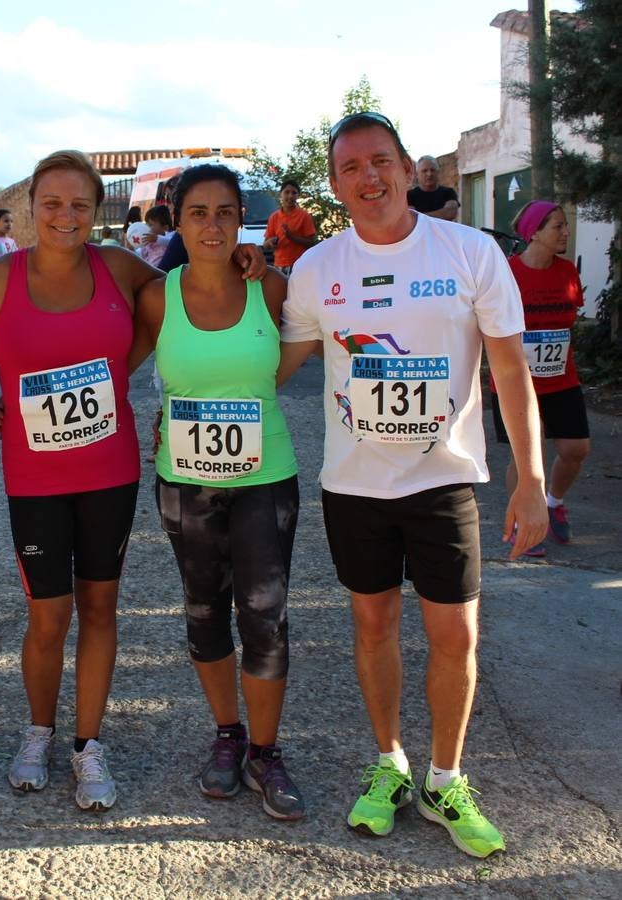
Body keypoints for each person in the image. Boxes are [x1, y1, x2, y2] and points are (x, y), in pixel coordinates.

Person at [278, 112, 545, 858]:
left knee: (453, 633)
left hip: (443, 481)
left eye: (381, 161)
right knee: (372, 626)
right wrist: (196, 407)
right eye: (351, 168)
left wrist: (531, 480)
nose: (369, 178)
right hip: (355, 485)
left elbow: (508, 370)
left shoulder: (466, 252)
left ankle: (445, 777)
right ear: (335, 185)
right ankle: (389, 762)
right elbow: (280, 362)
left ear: (405, 167)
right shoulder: (316, 269)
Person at [0, 150, 158, 812]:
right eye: (51, 202)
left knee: (100, 607)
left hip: (109, 470)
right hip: (34, 479)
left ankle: (87, 744)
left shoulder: (121, 268)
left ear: (95, 209)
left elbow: (183, 300)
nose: (65, 215)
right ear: (30, 207)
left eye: (79, 204)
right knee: (48, 615)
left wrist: (120, 370)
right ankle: (38, 732)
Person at [130, 164, 304, 820]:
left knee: (263, 612)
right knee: (204, 610)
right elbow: (110, 361)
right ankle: (227, 735)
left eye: (224, 211)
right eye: (197, 212)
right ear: (175, 221)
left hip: (265, 480)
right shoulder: (156, 296)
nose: (211, 224)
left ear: (240, 219)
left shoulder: (271, 289)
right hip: (186, 482)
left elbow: (323, 332)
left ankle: (265, 749)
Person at [490, 200, 590, 557]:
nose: (565, 232)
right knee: (524, 457)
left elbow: (568, 323)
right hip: (517, 381)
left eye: (565, 225)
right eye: (557, 227)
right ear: (534, 232)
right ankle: (520, 520)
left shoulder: (567, 273)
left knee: (576, 450)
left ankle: (553, 501)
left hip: (561, 379)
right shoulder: (508, 273)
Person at [262, 179, 317, 274]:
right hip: (278, 266)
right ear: (281, 194)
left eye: (294, 193)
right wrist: (271, 242)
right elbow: (265, 245)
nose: (290, 196)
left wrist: (291, 237)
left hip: (299, 265)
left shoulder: (304, 216)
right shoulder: (274, 217)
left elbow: (312, 243)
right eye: (287, 192)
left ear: (298, 196)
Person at [407, 156, 459, 221]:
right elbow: (411, 217)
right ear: (417, 174)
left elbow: (450, 213)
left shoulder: (448, 192)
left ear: (438, 172)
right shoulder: (410, 195)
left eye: (432, 170)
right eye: (424, 171)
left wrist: (420, 217)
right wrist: (442, 214)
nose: (429, 174)